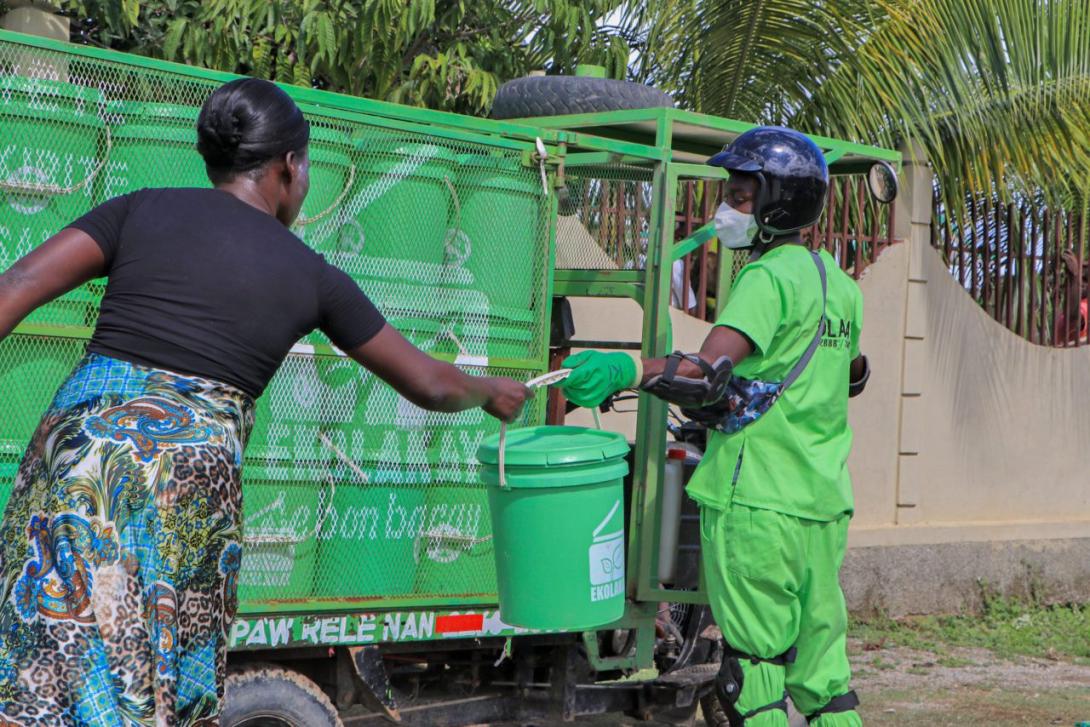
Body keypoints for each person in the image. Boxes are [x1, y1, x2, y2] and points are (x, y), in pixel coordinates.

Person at [0, 78, 529, 724]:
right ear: (289, 166)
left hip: (72, 450)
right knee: (147, 680)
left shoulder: (140, 208)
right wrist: (493, 390)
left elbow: (19, 282)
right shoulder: (310, 274)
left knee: (40, 665)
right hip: (178, 479)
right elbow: (432, 382)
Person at [559, 127, 870, 726]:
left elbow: (704, 373)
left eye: (743, 195)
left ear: (779, 202)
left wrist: (626, 366)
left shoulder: (768, 279)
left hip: (757, 503)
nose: (727, 208)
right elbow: (854, 374)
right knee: (823, 675)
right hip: (824, 505)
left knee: (750, 672)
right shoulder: (841, 287)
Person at [1055, 249, 1088, 345]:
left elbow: (1074, 316)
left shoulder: (1084, 305)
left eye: (1085, 279)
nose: (1081, 283)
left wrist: (1074, 277)